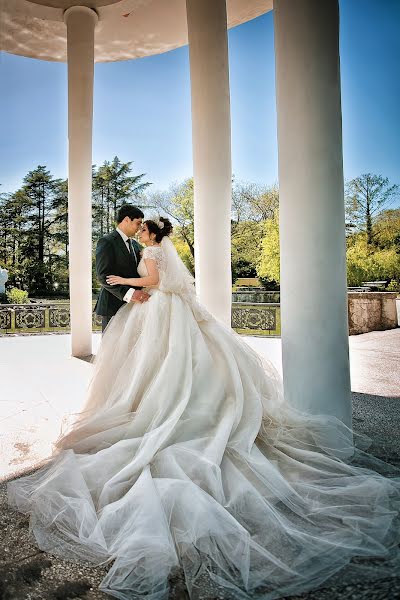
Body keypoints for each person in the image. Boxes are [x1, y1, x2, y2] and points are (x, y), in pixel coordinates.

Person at [8, 217, 400, 600]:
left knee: (162, 362)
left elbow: (156, 282)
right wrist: (128, 284)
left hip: (157, 306)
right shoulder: (151, 248)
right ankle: (168, 400)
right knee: (166, 362)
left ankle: (164, 405)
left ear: (149, 232)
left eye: (144, 227)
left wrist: (127, 281)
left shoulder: (151, 252)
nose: (141, 229)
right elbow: (157, 280)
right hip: (169, 308)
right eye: (139, 225)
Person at [94, 204, 150, 332]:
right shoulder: (107, 241)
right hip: (113, 306)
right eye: (138, 223)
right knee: (111, 350)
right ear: (126, 220)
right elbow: (103, 276)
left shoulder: (135, 245)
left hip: (135, 307)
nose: (140, 228)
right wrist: (130, 294)